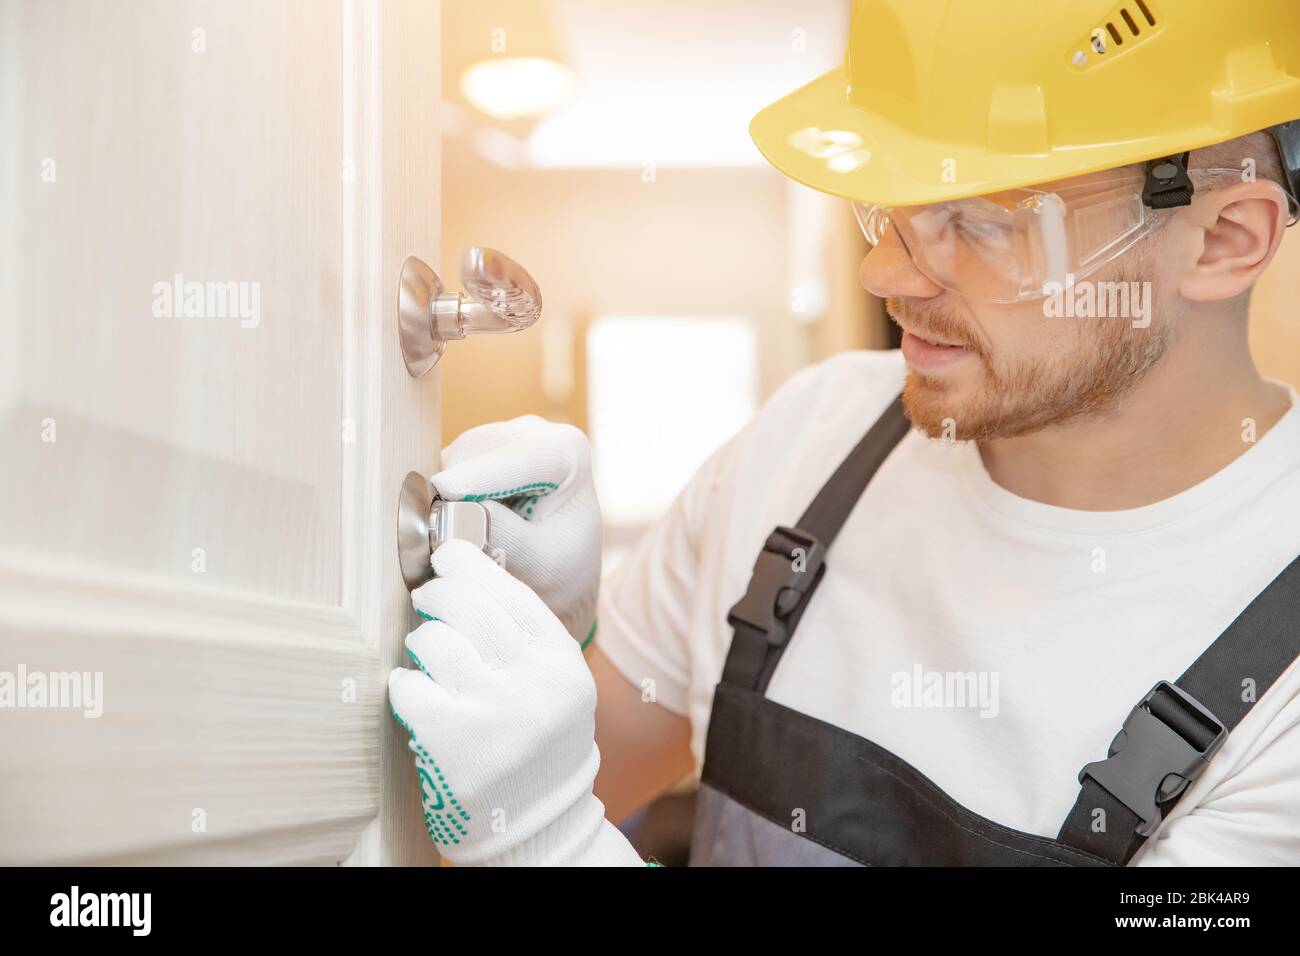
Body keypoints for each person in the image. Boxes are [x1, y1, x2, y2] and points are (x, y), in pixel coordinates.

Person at [388, 0, 1300, 866]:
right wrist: (549, 631)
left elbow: (544, 833)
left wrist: (552, 849)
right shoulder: (813, 438)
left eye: (983, 221)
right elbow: (522, 792)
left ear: (1222, 239)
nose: (883, 273)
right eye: (891, 212)